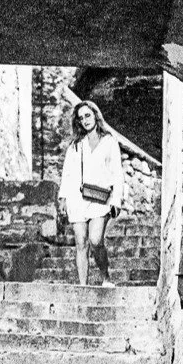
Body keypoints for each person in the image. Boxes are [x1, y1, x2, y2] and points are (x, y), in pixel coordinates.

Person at [59, 98, 125, 287]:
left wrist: (116, 200)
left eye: (88, 115)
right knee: (81, 244)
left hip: (100, 199)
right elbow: (67, 173)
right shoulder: (76, 145)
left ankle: (105, 277)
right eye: (81, 118)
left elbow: (117, 173)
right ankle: (83, 286)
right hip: (77, 199)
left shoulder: (109, 141)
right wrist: (63, 198)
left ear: (95, 115)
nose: (85, 120)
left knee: (96, 240)